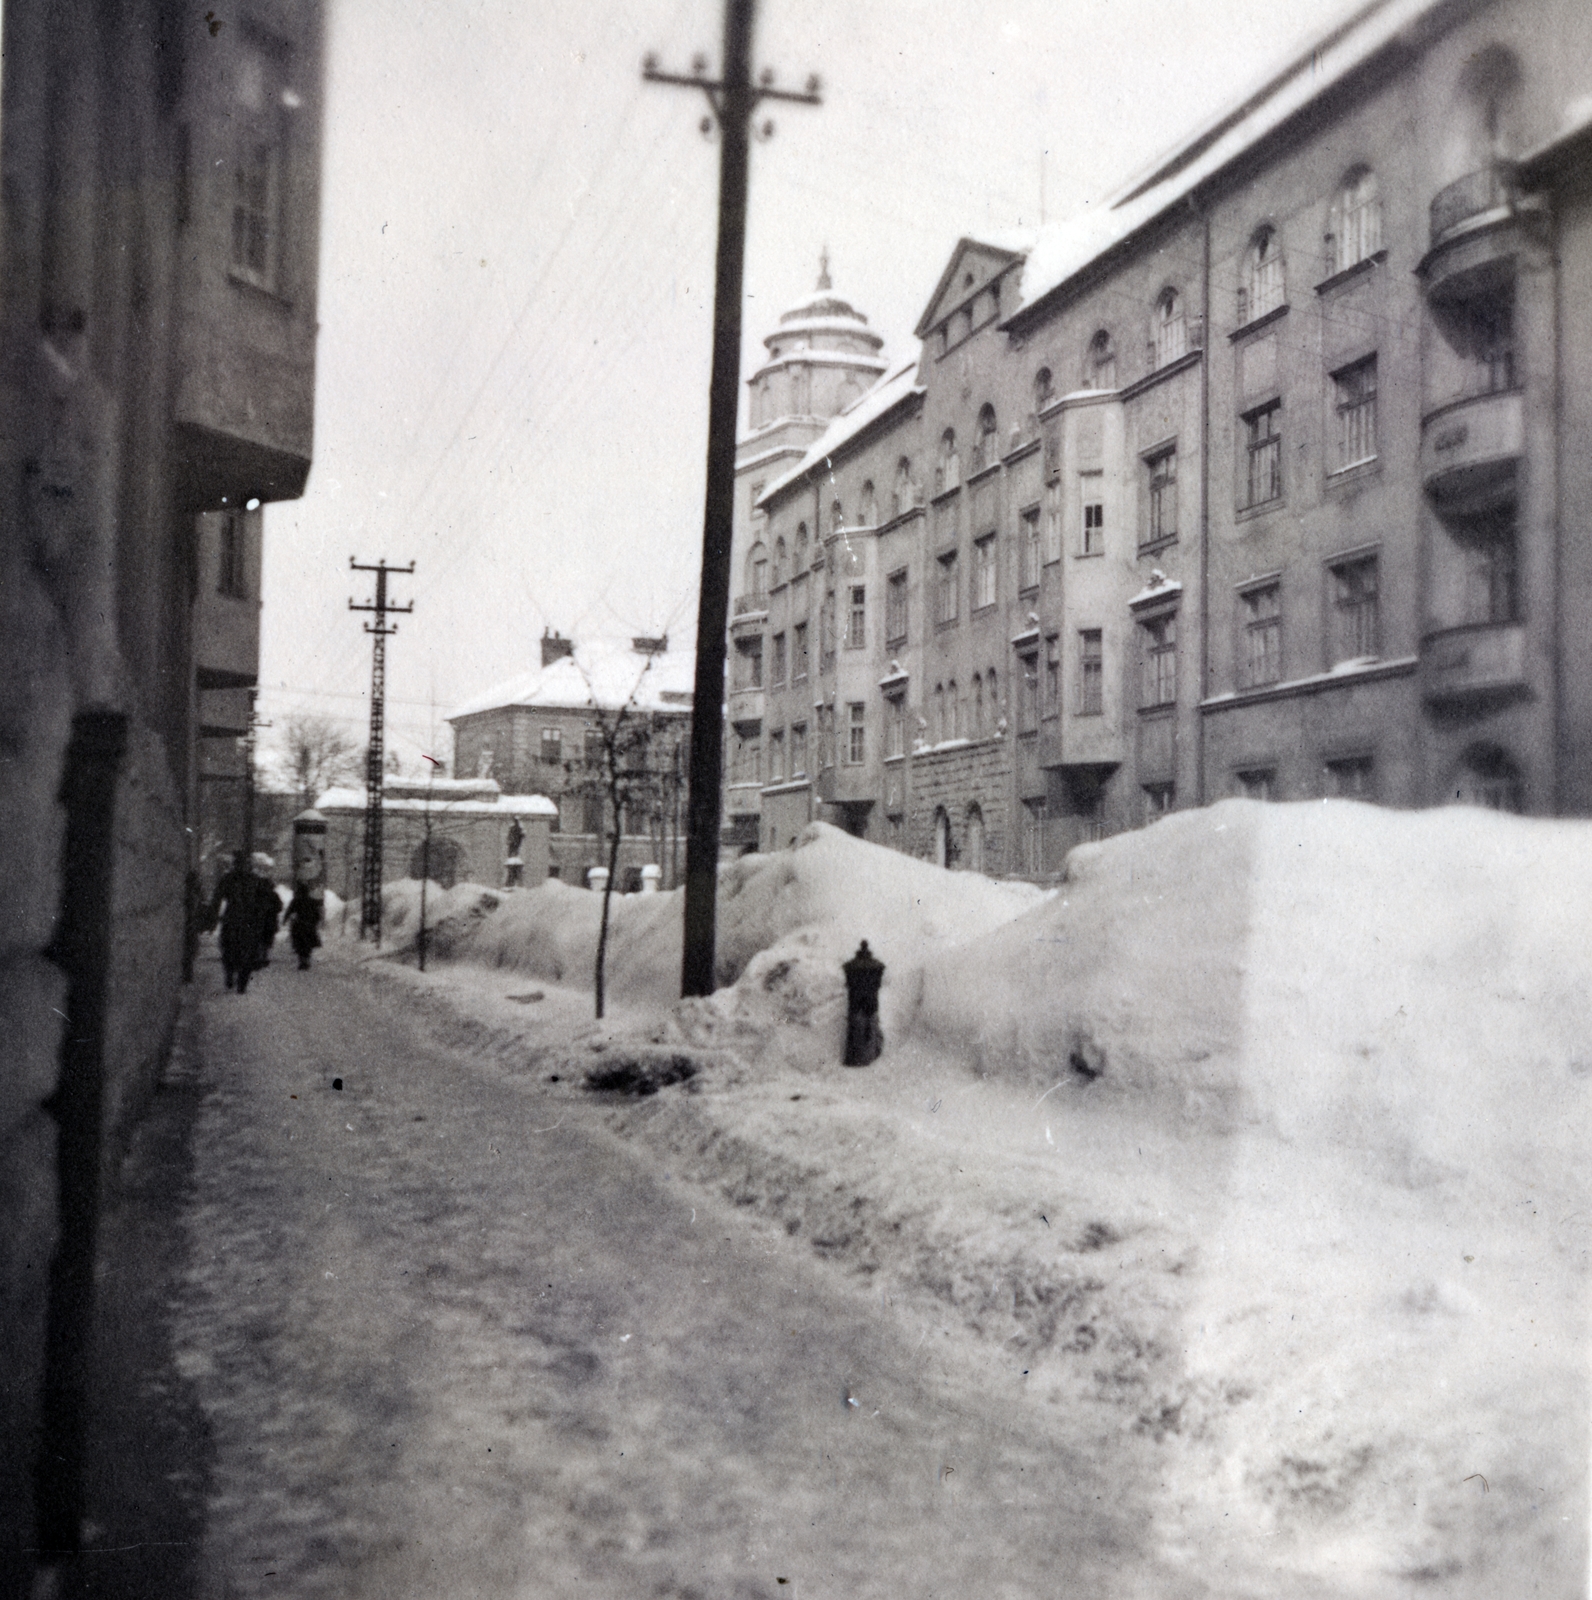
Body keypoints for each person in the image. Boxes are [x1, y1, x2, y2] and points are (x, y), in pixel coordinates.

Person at [209, 851, 272, 992]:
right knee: (247, 951)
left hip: (233, 919)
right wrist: (261, 918)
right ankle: (241, 981)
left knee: (229, 949)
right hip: (248, 921)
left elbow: (216, 899)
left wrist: (213, 918)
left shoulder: (228, 879)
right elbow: (264, 902)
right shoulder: (255, 880)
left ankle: (231, 974)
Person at [285, 881, 324, 970]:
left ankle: (302, 961)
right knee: (308, 943)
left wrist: (285, 919)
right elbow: (317, 914)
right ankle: (306, 960)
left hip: (299, 924)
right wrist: (315, 922)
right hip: (309, 925)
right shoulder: (312, 901)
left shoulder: (296, 900)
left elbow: (289, 910)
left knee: (299, 943)